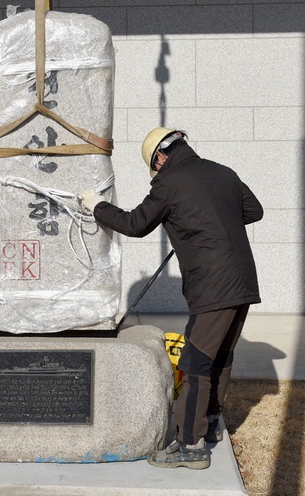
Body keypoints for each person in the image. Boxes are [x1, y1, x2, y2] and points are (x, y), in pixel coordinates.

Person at [80, 128, 262, 470]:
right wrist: (208, 219)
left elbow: (135, 223)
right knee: (220, 356)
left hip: (213, 286)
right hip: (243, 283)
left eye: (155, 166)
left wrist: (97, 206)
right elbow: (253, 210)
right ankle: (208, 428)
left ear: (160, 158)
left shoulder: (168, 182)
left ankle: (190, 445)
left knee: (195, 363)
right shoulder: (224, 172)